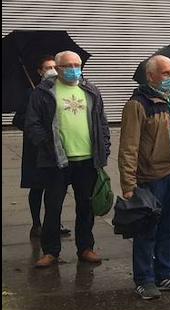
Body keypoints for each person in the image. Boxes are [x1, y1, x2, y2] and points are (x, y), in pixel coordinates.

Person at [119, 55, 170, 300]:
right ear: (150, 76)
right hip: (151, 176)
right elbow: (129, 146)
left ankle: (166, 273)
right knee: (147, 230)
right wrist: (128, 184)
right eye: (166, 73)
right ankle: (144, 279)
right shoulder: (138, 104)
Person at [26, 51, 110, 268]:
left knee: (86, 206)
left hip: (87, 160)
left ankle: (86, 247)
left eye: (77, 65)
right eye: (68, 65)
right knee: (53, 207)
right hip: (56, 161)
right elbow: (32, 124)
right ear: (57, 68)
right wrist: (46, 144)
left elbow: (101, 122)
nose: (74, 69)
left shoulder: (91, 90)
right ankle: (50, 251)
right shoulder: (43, 92)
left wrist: (105, 147)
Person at [14, 56, 64, 240]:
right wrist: (33, 125)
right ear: (40, 71)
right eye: (48, 67)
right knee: (37, 187)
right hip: (36, 148)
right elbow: (18, 119)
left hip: (56, 147)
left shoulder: (60, 92)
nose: (52, 70)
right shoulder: (31, 93)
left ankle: (54, 222)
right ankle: (36, 224)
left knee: (56, 188)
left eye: (54, 67)